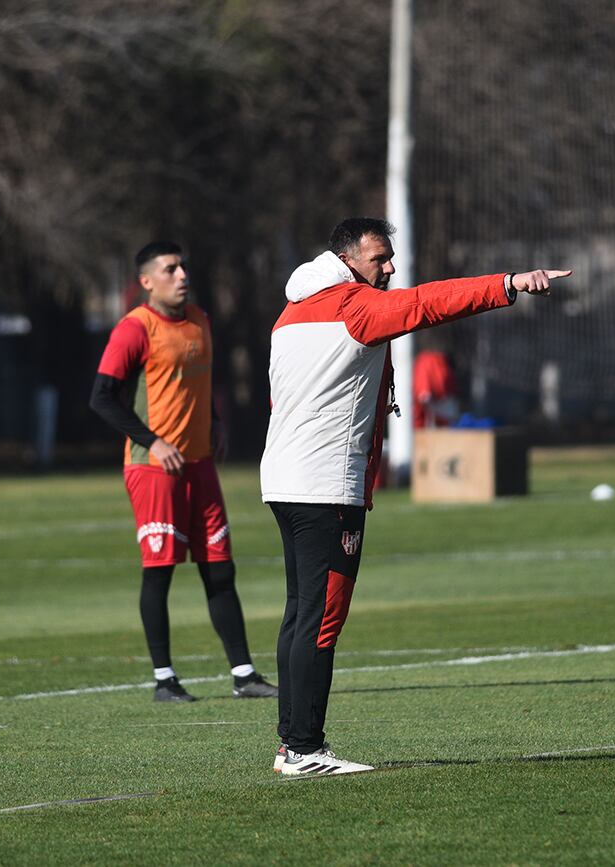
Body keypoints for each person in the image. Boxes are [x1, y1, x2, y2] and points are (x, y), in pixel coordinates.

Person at [261, 218, 569, 775]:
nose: (390, 269)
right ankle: (305, 749)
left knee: (298, 614)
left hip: (284, 479)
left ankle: (292, 743)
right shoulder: (354, 306)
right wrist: (510, 283)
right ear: (348, 259)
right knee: (321, 619)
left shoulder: (290, 312)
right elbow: (429, 304)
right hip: (326, 483)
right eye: (380, 259)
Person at [90, 240, 278, 703]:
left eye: (183, 267)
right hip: (153, 468)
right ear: (147, 281)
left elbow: (198, 380)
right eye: (170, 269)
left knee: (220, 570)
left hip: (200, 466)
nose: (182, 276)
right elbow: (101, 398)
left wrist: (213, 422)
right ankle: (164, 679)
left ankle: (244, 674)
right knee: (160, 572)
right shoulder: (135, 329)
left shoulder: (200, 322)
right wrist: (151, 440)